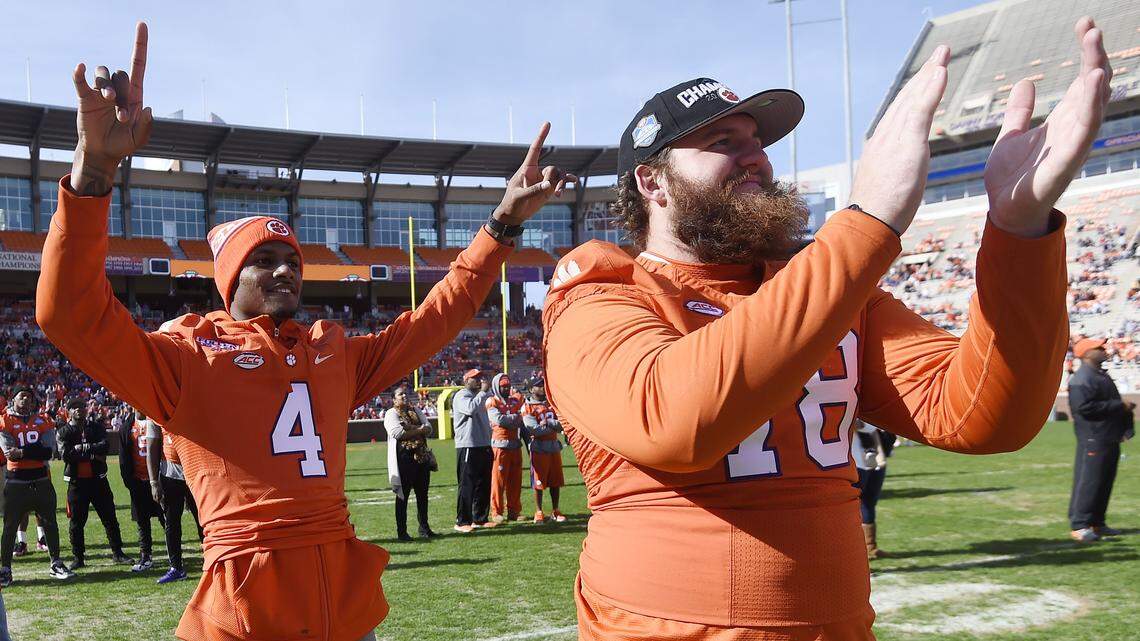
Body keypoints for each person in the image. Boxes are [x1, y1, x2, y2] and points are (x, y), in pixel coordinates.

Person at [540, 17, 1110, 639]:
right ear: (651, 181)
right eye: (721, 141)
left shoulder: (826, 288)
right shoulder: (601, 291)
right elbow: (672, 422)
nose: (753, 156)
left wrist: (1020, 229)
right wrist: (865, 222)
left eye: (756, 140)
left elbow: (984, 415)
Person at [37, 22, 572, 641]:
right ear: (229, 280)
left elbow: (434, 321)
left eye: (291, 258)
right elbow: (70, 315)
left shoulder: (331, 349)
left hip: (341, 604)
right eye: (263, 261)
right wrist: (94, 172)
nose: (285, 268)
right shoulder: (187, 353)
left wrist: (501, 225)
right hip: (246, 604)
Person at [0, 387, 71, 583]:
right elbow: (8, 451)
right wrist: (33, 451)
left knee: (50, 523)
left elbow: (47, 452)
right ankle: (5, 568)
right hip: (16, 481)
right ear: (13, 399)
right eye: (22, 396)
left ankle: (55, 563)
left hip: (41, 480)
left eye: (29, 397)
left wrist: (21, 452)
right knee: (9, 526)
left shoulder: (44, 420)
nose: (26, 399)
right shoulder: (5, 420)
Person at [1068, 337, 1136, 543]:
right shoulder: (1081, 379)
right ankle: (1080, 525)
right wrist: (1120, 407)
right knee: (1090, 481)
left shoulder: (1099, 376)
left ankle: (1097, 522)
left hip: (1107, 436)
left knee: (1104, 481)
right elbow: (1083, 409)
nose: (1104, 349)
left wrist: (1125, 426)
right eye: (1098, 347)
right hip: (1093, 437)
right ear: (1087, 353)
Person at [57, 397, 133, 571]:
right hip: (77, 483)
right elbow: (66, 455)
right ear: (68, 411)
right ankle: (78, 557)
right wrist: (92, 452)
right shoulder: (64, 431)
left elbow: (105, 446)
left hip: (98, 480)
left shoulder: (96, 427)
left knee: (109, 518)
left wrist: (81, 449)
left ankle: (118, 552)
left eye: (82, 406)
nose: (79, 409)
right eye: (75, 407)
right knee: (76, 522)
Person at [145, 419, 203, 585]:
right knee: (171, 522)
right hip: (170, 474)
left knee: (204, 521)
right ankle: (176, 567)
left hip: (195, 472)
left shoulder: (188, 403)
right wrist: (154, 482)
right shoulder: (154, 412)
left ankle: (211, 562)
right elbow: (152, 448)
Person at [384, 386, 436, 541]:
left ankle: (424, 528)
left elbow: (429, 428)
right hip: (403, 459)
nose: (404, 396)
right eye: (401, 394)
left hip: (421, 457)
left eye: (405, 393)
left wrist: (411, 428)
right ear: (394, 399)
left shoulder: (415, 410)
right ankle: (402, 532)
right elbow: (398, 433)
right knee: (403, 496)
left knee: (423, 495)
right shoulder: (391, 413)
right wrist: (419, 429)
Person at [119, 408, 166, 571]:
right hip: (138, 481)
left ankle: (175, 552)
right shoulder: (127, 426)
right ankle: (146, 555)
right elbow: (124, 457)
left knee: (166, 519)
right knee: (142, 521)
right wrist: (129, 482)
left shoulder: (157, 421)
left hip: (159, 480)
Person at [452, 369, 495, 532]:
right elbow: (470, 409)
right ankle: (462, 521)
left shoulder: (481, 396)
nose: (479, 380)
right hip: (468, 445)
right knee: (467, 484)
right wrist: (483, 392)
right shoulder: (461, 395)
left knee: (483, 484)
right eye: (474, 378)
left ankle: (480, 518)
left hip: (483, 444)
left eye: (480, 378)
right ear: (466, 380)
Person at [521, 378, 565, 524]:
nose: (541, 388)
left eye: (542, 385)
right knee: (538, 482)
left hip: (553, 446)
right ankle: (539, 511)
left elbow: (563, 424)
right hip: (538, 447)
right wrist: (551, 427)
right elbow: (533, 429)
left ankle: (555, 510)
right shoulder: (527, 406)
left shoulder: (552, 404)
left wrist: (549, 423)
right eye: (538, 386)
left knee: (555, 481)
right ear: (530, 390)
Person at [486, 373, 525, 523]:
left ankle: (514, 511)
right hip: (500, 446)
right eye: (503, 386)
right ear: (497, 386)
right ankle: (496, 512)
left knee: (515, 480)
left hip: (515, 444)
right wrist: (515, 417)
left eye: (508, 386)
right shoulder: (492, 401)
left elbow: (521, 414)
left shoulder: (514, 400)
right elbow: (499, 420)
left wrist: (514, 417)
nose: (507, 388)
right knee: (498, 481)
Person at [852, 420, 890, 559]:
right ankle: (857, 554)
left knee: (869, 503)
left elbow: (871, 426)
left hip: (868, 461)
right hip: (850, 462)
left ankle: (870, 548)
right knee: (851, 510)